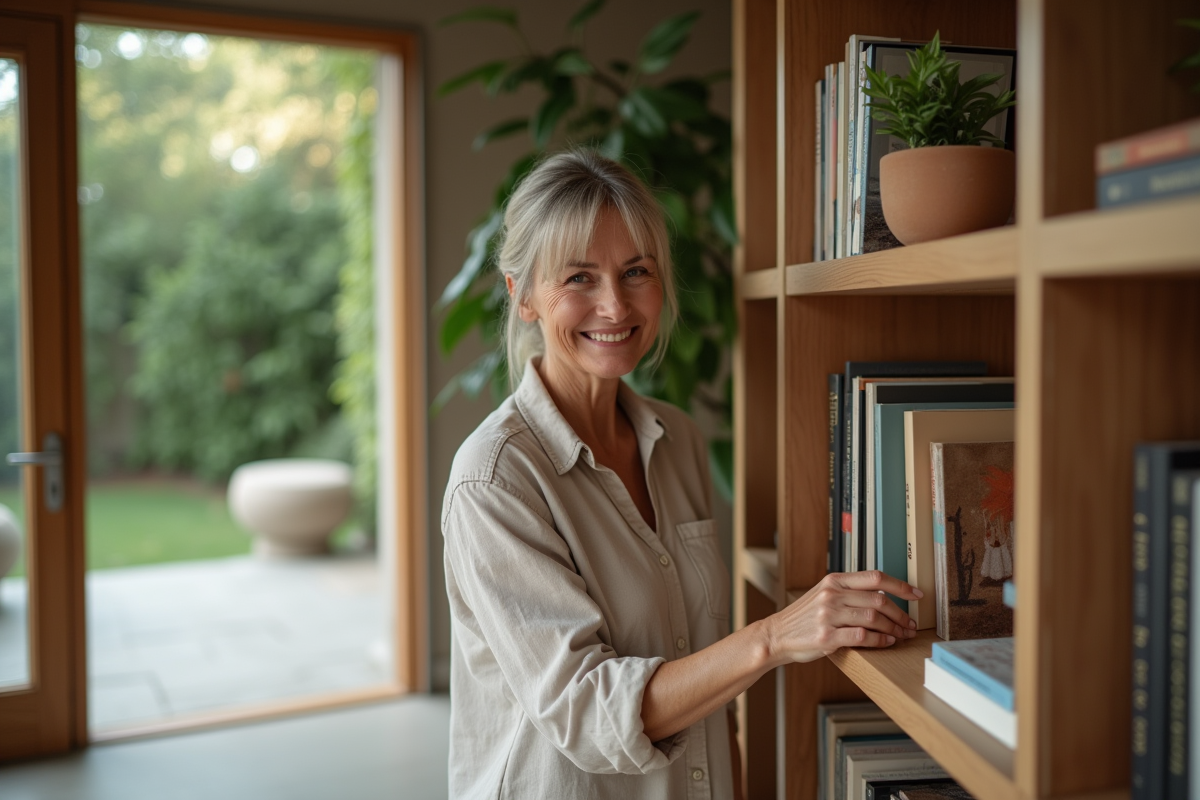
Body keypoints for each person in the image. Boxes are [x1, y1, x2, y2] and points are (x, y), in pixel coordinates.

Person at [441, 150, 922, 799]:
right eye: (579, 277)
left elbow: (706, 678)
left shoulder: (677, 440)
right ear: (521, 295)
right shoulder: (493, 480)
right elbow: (586, 712)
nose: (615, 306)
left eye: (635, 271)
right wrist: (773, 637)